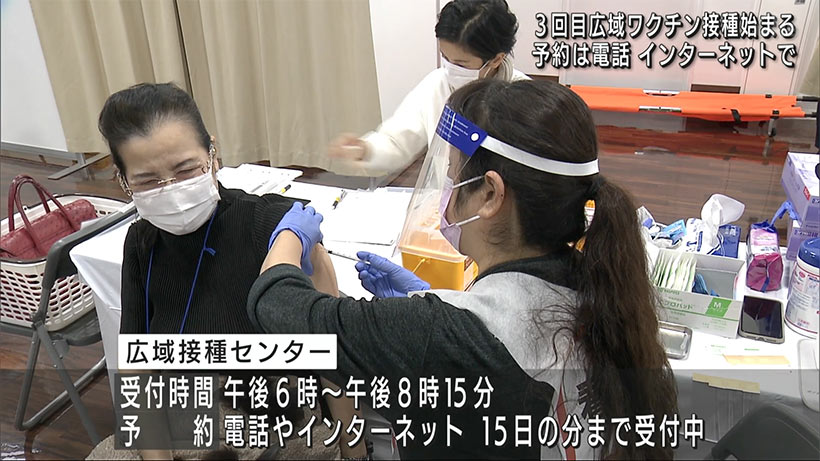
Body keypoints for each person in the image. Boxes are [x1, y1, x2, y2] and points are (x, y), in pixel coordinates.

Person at [250, 79, 678, 459]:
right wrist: (427, 300)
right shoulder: (600, 284)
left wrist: (290, 233)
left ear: (490, 194)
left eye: (453, 175)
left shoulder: (441, 335)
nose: (446, 190)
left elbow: (275, 305)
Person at [98, 82, 368, 460]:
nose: (171, 190)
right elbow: (137, 372)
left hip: (282, 424)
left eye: (185, 169)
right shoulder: (142, 243)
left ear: (212, 152)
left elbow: (333, 365)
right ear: (123, 180)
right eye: (147, 180)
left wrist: (355, 453)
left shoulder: (276, 229)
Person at [328, 0, 528, 176]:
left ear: (496, 59)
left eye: (461, 64)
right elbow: (397, 141)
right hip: (444, 202)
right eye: (445, 57)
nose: (450, 69)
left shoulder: (525, 98)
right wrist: (366, 149)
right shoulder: (437, 85)